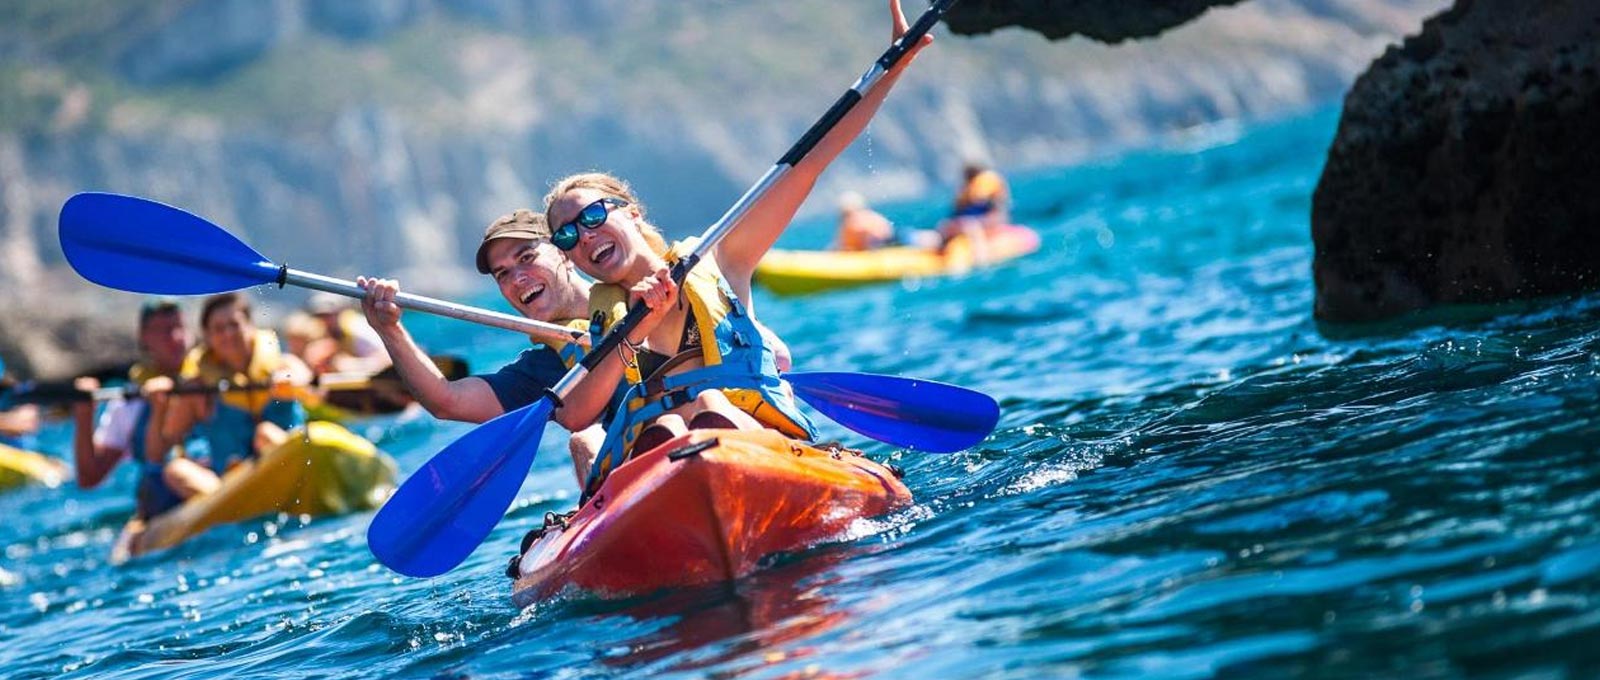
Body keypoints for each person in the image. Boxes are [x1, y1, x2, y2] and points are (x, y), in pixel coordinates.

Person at [544, 0, 930, 497]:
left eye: (594, 215)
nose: (587, 235)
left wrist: (894, 64)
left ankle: (691, 451)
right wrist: (635, 323)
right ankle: (669, 460)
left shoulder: (721, 260)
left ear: (631, 212)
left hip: (750, 442)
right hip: (664, 469)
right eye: (569, 236)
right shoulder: (603, 327)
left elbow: (809, 163)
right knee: (641, 433)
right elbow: (576, 411)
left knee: (711, 405)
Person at [357, 209, 609, 484]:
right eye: (502, 274)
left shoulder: (636, 296)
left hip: (662, 428)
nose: (517, 278)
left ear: (563, 252)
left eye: (527, 258)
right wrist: (389, 329)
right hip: (633, 468)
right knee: (585, 442)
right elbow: (446, 400)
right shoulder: (541, 371)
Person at [143, 293, 312, 504]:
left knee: (265, 433)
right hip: (231, 485)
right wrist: (159, 409)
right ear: (208, 337)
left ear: (250, 326)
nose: (228, 334)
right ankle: (233, 503)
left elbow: (308, 382)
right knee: (176, 470)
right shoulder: (198, 390)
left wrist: (293, 382)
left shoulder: (284, 366)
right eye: (219, 329)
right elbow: (158, 453)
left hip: (292, 465)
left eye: (234, 324)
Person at [69, 300, 194, 519]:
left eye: (179, 328)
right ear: (144, 337)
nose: (176, 338)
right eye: (165, 331)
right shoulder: (128, 404)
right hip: (163, 508)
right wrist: (84, 415)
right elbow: (89, 478)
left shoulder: (214, 376)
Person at [301, 291, 391, 375]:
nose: (325, 321)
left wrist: (350, 365)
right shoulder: (321, 334)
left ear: (340, 312)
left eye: (328, 315)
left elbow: (387, 360)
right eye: (320, 316)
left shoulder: (357, 328)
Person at [938, 160, 1010, 263]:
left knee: (971, 227)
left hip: (986, 222)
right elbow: (957, 211)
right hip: (966, 222)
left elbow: (996, 211)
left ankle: (980, 257)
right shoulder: (965, 192)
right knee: (944, 226)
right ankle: (941, 250)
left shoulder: (990, 186)